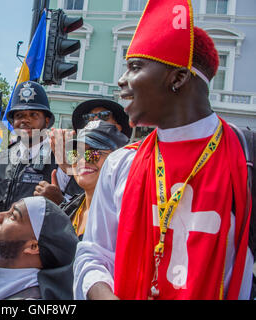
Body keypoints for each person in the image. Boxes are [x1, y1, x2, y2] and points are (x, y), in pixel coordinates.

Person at [73, 0, 254, 300]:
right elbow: (93, 255)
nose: (121, 80)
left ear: (178, 78)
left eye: (134, 67)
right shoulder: (121, 164)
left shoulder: (245, 158)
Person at [0, 80, 77, 227]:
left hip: (33, 248)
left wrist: (59, 203)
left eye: (33, 114)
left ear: (46, 121)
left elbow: (77, 215)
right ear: (12, 123)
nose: (25, 120)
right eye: (19, 115)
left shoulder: (63, 159)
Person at [35, 98, 131, 203]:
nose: (95, 120)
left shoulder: (129, 170)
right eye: (76, 153)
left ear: (118, 127)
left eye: (104, 116)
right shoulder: (70, 166)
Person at [60, 121, 128, 240]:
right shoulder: (67, 210)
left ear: (118, 160)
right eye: (76, 153)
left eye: (93, 153)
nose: (82, 161)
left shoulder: (123, 217)